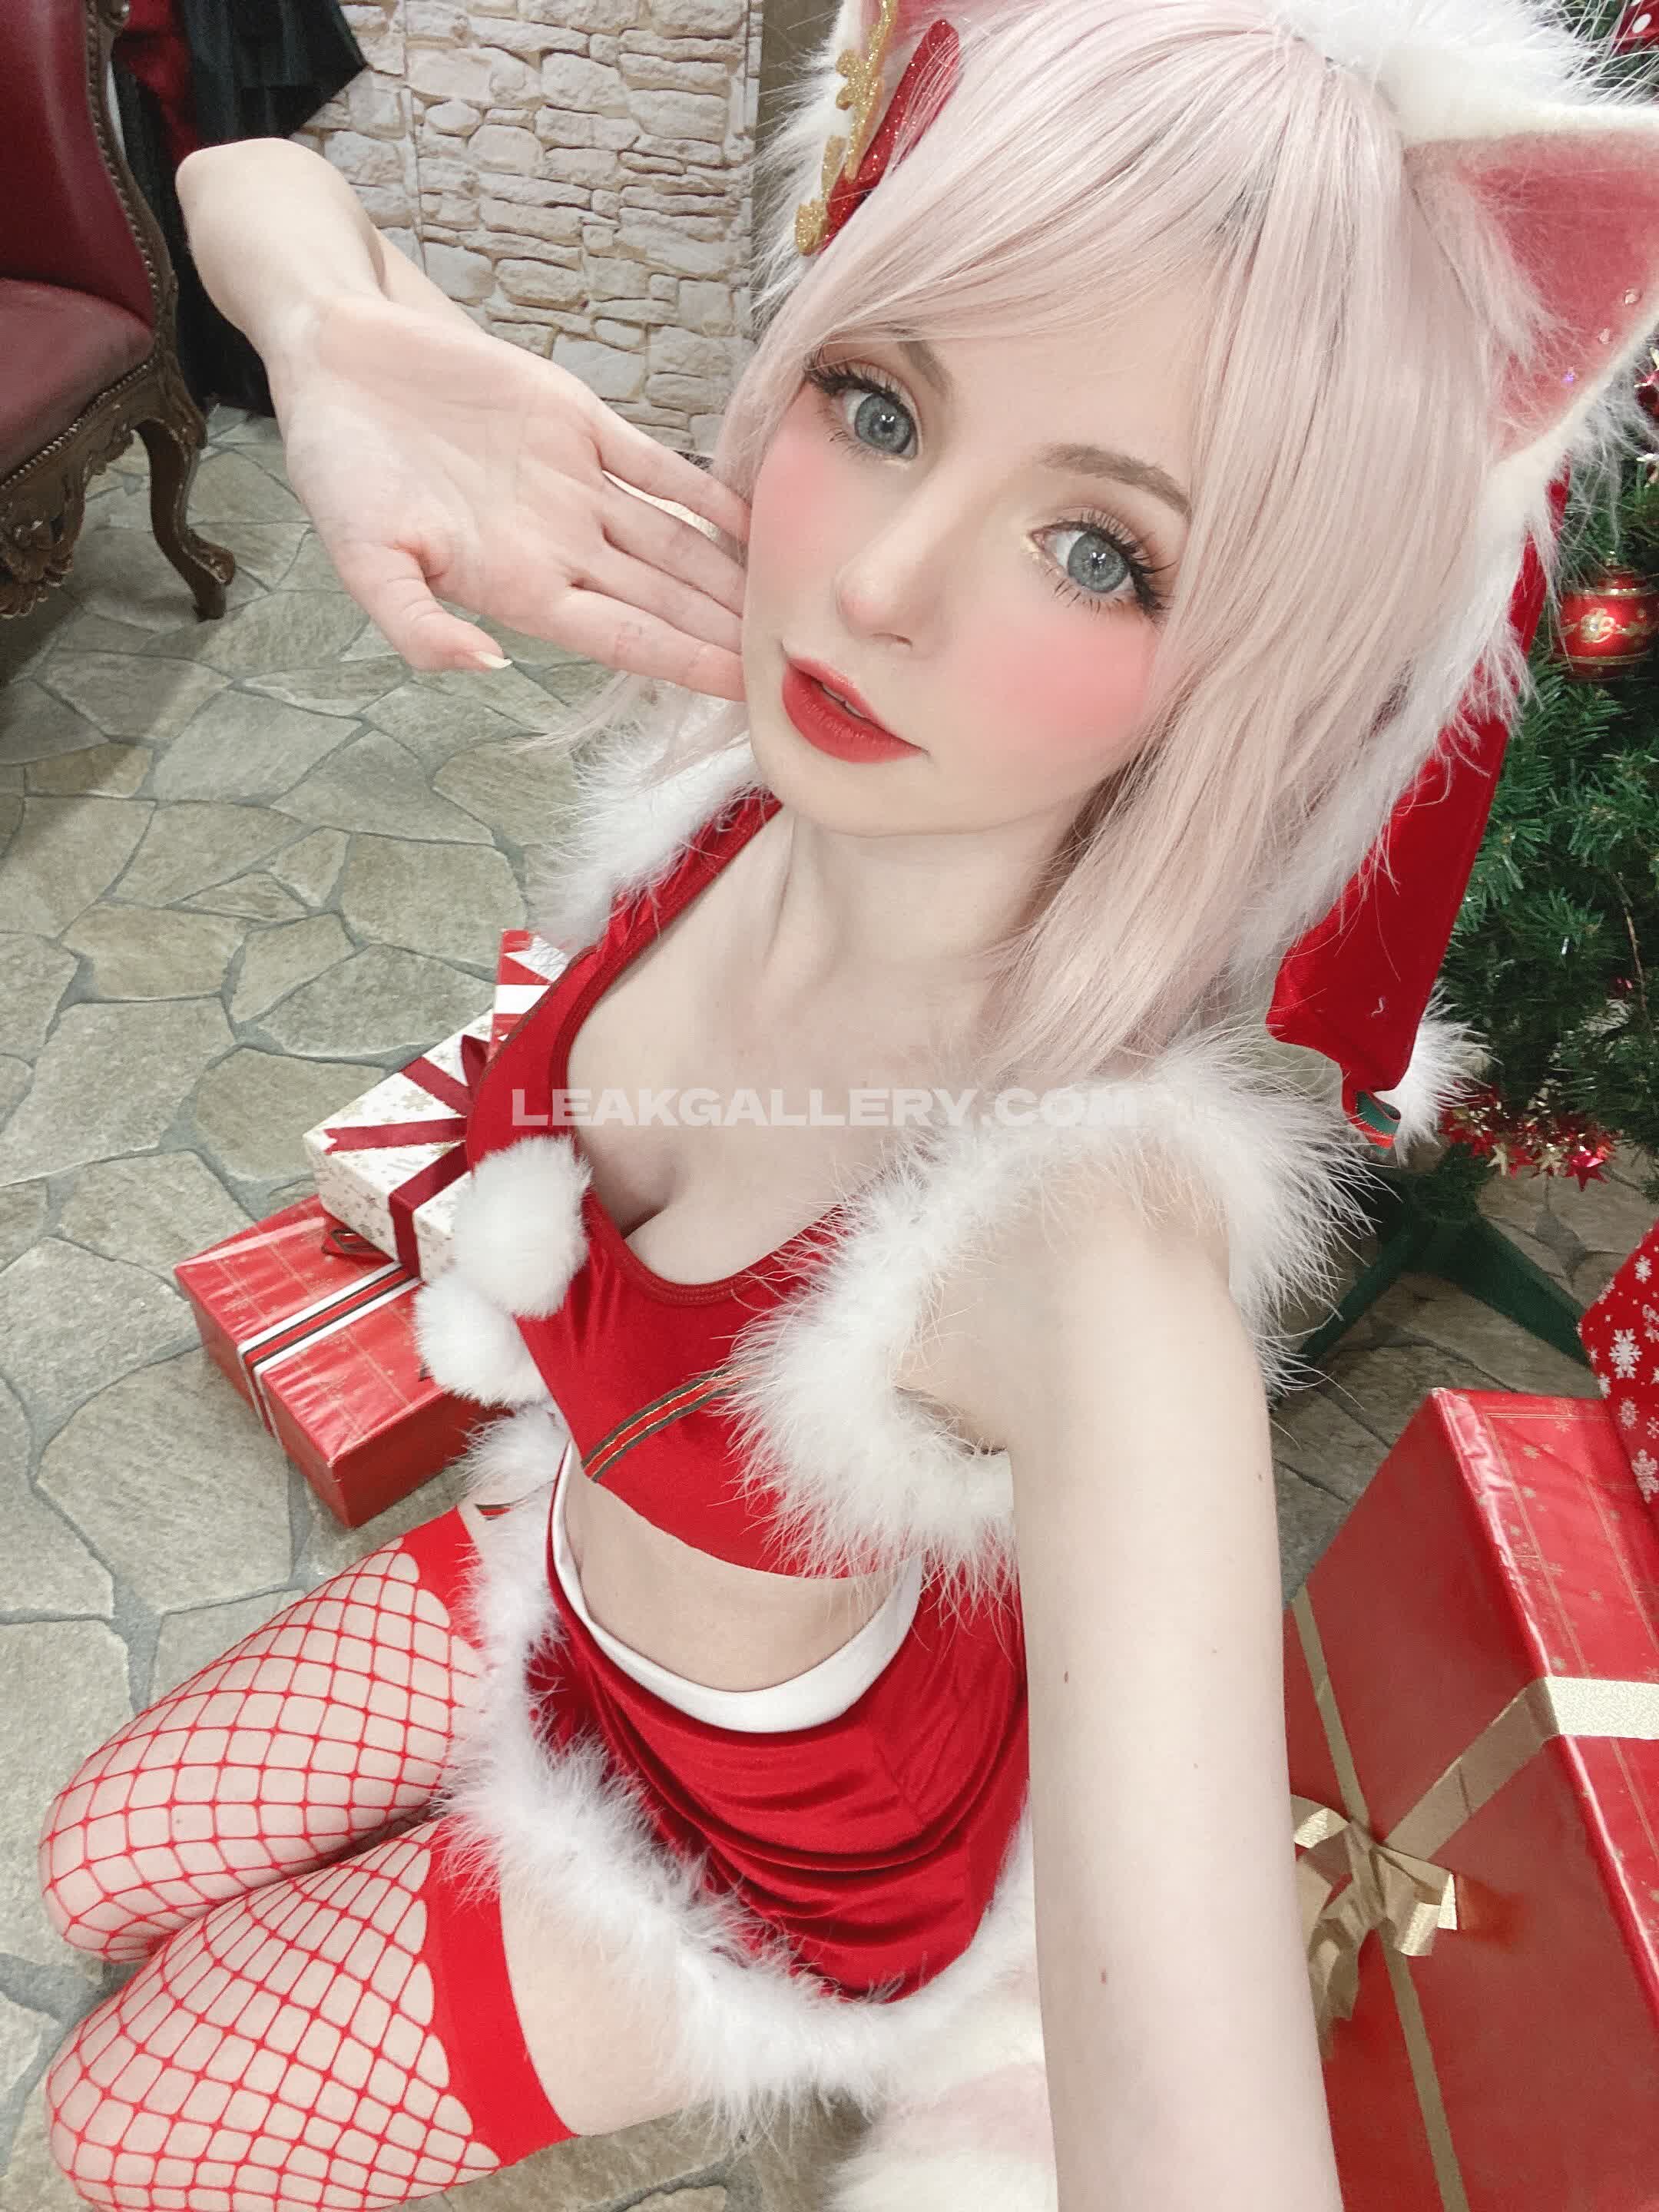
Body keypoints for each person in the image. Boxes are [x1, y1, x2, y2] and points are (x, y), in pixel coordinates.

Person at [32, 2, 1659, 2209]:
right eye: (881, 403)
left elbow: (1204, 2131)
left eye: (1103, 551)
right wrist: (331, 346)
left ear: (1268, 655)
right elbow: (241, 176)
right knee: (93, 1852)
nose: (878, 583)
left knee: (112, 2119)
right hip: (563, 1554)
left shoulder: (1092, 1233)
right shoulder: (742, 729)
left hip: (764, 1853)